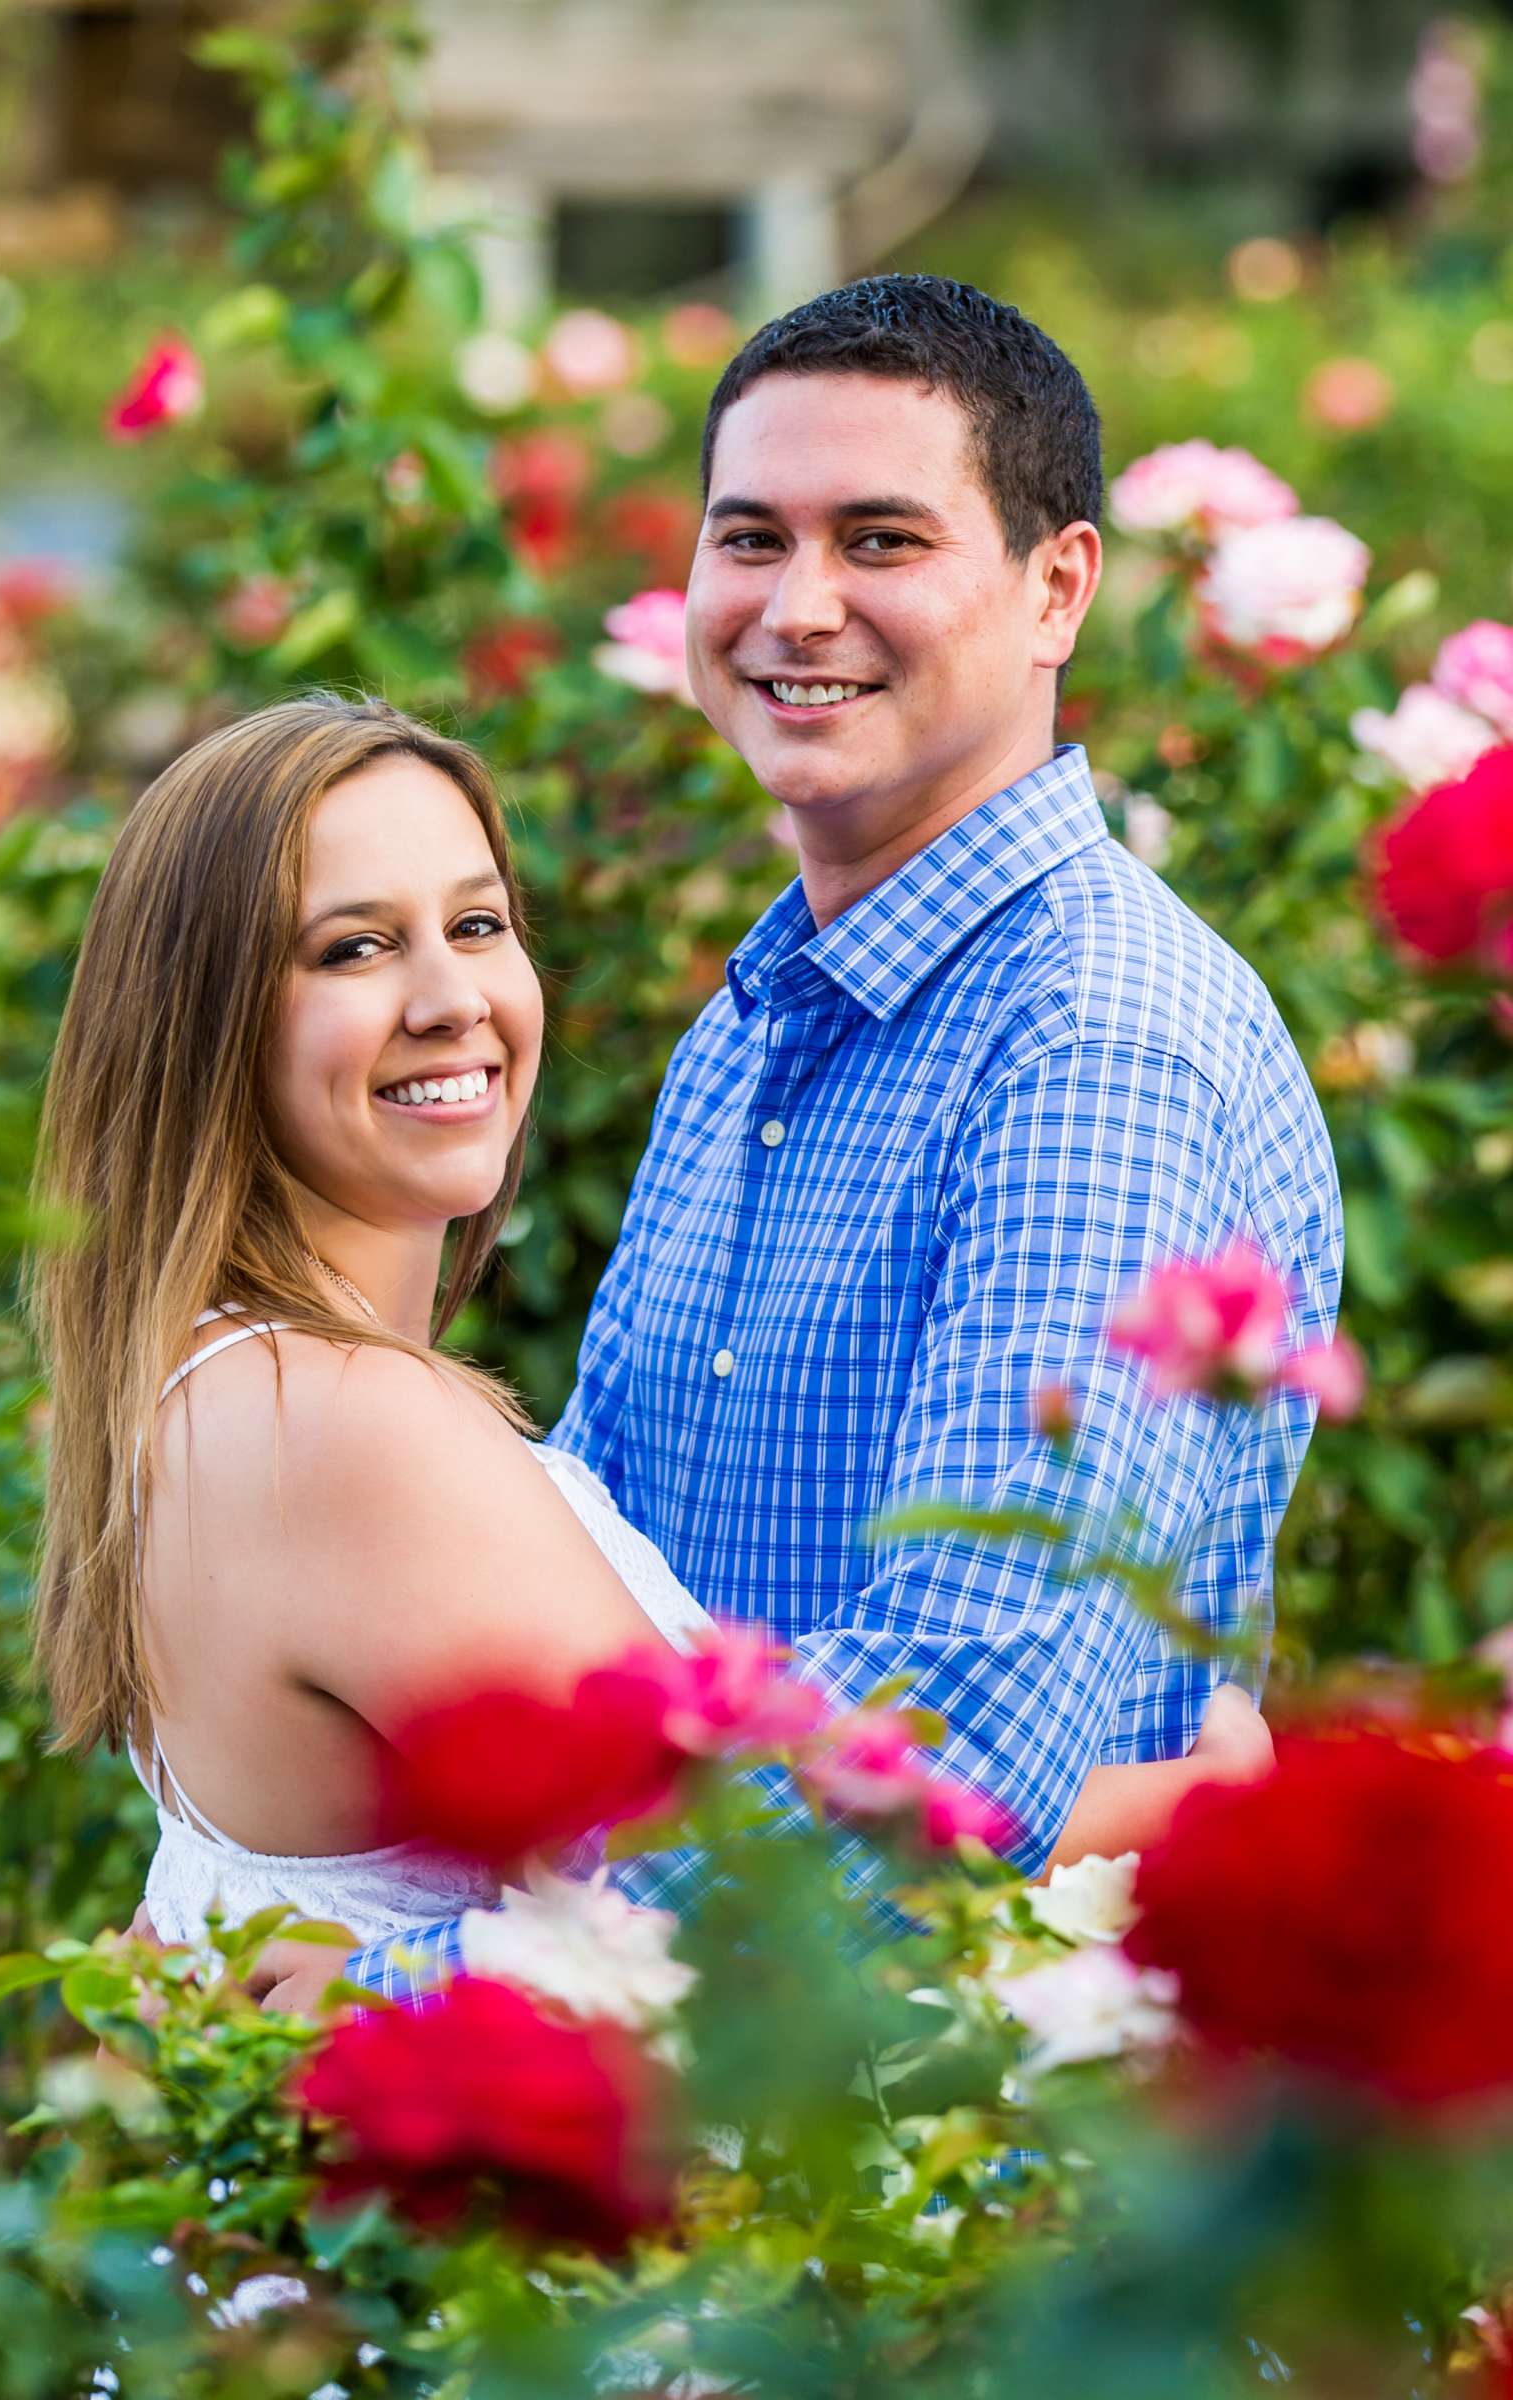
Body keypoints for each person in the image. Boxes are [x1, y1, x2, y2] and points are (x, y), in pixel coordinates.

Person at [251, 274, 1338, 2012]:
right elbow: (588, 1603)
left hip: (935, 2169)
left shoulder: (1093, 1049)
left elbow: (961, 1733)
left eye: (884, 539)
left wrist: (407, 1988)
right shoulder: (763, 1017)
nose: (796, 606)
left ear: (1060, 587)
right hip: (708, 2123)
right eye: (749, 537)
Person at [33, 692, 1244, 1961]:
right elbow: (758, 1875)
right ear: (205, 1024)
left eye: (476, 923)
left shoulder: (222, 1382)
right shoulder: (339, 1424)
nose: (452, 999)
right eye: (352, 949)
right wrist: (1183, 1807)